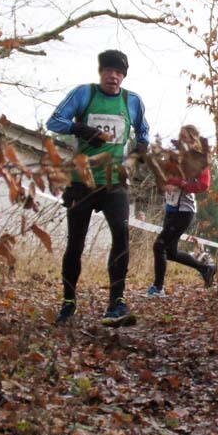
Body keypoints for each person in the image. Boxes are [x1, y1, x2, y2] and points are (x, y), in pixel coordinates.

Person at [46, 49, 149, 327]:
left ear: (123, 76)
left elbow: (143, 130)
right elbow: (53, 122)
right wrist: (80, 129)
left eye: (118, 72)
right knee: (76, 243)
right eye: (108, 71)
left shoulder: (132, 101)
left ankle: (116, 302)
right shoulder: (84, 94)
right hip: (82, 181)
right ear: (100, 72)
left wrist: (142, 146)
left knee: (121, 237)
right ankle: (68, 302)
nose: (113, 76)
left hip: (114, 182)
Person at [146, 124, 216, 295]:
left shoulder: (199, 161)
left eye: (186, 138)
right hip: (171, 209)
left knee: (159, 246)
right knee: (170, 252)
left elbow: (204, 185)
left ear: (194, 141)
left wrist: (182, 184)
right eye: (181, 137)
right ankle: (206, 269)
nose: (182, 141)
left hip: (185, 211)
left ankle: (158, 288)